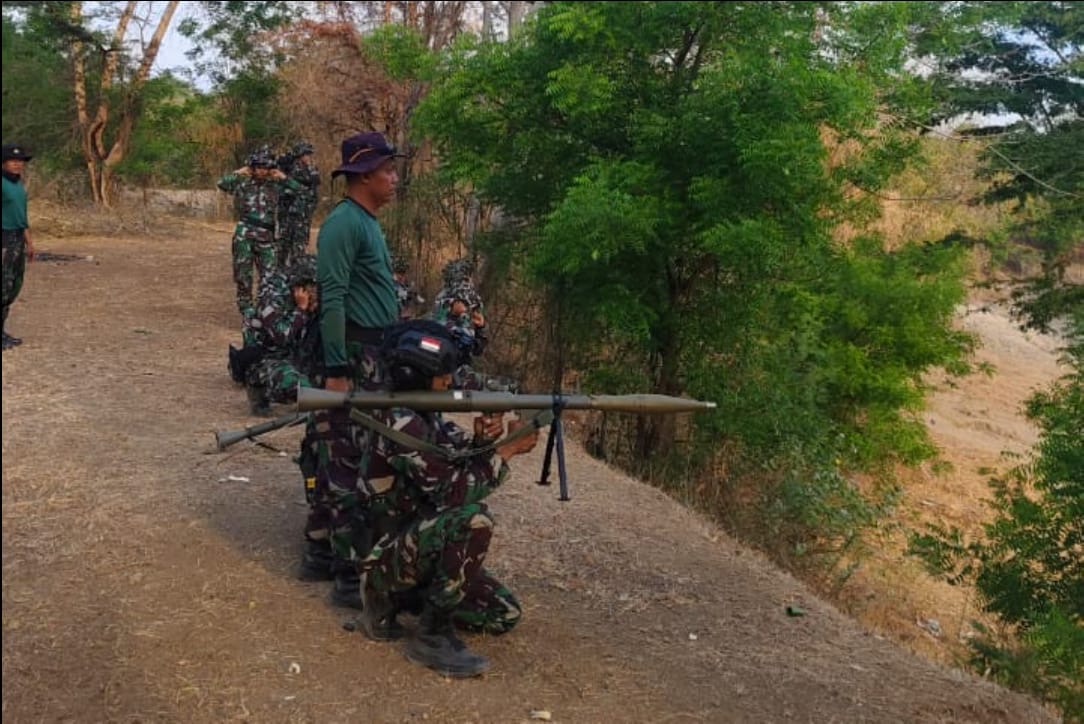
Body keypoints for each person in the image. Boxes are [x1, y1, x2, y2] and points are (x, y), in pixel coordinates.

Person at [355, 320, 539, 677]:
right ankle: (429, 634)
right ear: (417, 375)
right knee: (473, 520)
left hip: (414, 546)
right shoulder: (399, 423)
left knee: (502, 613)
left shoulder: (425, 417)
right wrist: (507, 452)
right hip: (384, 556)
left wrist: (485, 442)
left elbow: (457, 458)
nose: (450, 382)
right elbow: (453, 493)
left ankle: (413, 597)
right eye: (442, 375)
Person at [296, 131, 405, 608]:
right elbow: (334, 297)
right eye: (387, 171)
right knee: (352, 462)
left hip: (374, 351)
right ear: (363, 177)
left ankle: (321, 550)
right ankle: (347, 571)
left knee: (342, 454)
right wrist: (338, 367)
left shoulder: (366, 221)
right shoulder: (344, 223)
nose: (394, 178)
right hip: (356, 357)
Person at [217, 147, 302, 321]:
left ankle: (266, 309)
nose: (262, 171)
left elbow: (300, 191)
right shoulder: (243, 183)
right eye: (258, 167)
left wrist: (283, 177)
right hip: (245, 234)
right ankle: (247, 310)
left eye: (265, 167)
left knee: (269, 275)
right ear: (253, 167)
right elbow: (222, 183)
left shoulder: (276, 185)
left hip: (267, 237)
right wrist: (239, 173)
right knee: (243, 275)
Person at [236, 254, 321, 416]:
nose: (316, 293)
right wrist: (301, 311)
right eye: (313, 287)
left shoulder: (310, 298)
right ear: (300, 288)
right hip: (267, 359)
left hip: (296, 357)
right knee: (300, 387)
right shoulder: (271, 298)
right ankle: (258, 388)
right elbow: (281, 337)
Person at [2, 143, 34, 350]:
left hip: (17, 237)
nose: (17, 164)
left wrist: (29, 241)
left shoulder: (18, 184)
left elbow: (21, 215)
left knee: (13, 285)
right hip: (4, 238)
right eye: (12, 160)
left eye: (20, 161)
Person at [277, 141, 321, 268]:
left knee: (299, 246)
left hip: (303, 215)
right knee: (284, 245)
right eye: (306, 154)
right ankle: (280, 271)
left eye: (309, 154)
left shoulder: (310, 169)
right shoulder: (289, 168)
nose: (308, 157)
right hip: (288, 214)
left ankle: (296, 271)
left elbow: (314, 180)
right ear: (299, 155)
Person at [391, 253, 425, 319]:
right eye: (399, 273)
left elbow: (408, 293)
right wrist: (407, 293)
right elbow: (395, 292)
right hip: (395, 314)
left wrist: (414, 294)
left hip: (404, 315)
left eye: (403, 273)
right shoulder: (391, 283)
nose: (402, 276)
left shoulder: (403, 284)